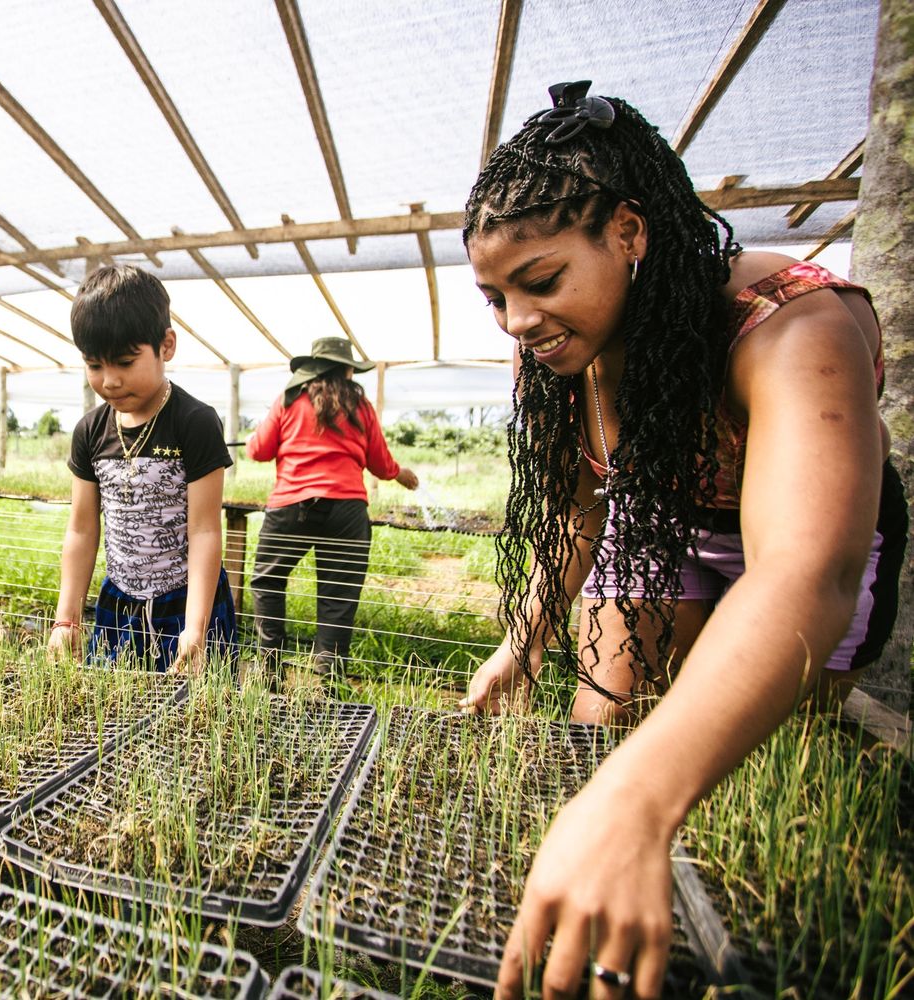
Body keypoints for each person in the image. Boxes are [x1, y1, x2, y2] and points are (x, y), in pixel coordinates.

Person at [455, 81, 904, 999]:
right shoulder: (557, 349)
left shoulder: (791, 324)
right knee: (602, 727)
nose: (518, 320)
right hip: (657, 517)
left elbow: (802, 572)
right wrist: (523, 639)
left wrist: (642, 800)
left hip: (795, 540)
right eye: (495, 297)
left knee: (769, 750)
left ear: (628, 233)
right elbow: (583, 513)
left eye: (539, 282)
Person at [48, 264, 236, 673]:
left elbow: (205, 529)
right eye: (94, 365)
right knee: (111, 710)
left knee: (197, 719)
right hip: (120, 603)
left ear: (166, 345)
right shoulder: (90, 431)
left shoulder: (194, 422)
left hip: (188, 602)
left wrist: (196, 626)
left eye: (125, 362)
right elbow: (81, 529)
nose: (110, 380)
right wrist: (67, 618)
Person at [245, 337, 419, 675]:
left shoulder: (289, 399)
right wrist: (401, 474)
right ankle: (329, 679)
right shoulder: (361, 406)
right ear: (348, 371)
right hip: (346, 510)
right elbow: (381, 464)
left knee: (267, 582)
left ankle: (268, 669)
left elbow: (258, 451)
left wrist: (256, 435)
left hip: (291, 505)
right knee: (338, 596)